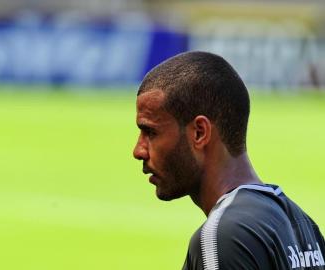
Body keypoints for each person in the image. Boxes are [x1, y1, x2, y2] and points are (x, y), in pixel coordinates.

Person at [132, 51, 325, 269]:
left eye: (150, 132)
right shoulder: (303, 225)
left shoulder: (224, 235)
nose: (138, 150)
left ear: (199, 133)